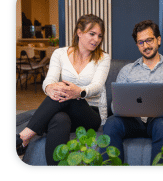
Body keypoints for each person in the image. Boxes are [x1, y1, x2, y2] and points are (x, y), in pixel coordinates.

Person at [16, 14, 111, 165]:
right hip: (64, 111)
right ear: (79, 32)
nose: (96, 39)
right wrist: (50, 87)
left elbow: (97, 86)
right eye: (92, 34)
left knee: (71, 95)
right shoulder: (59, 54)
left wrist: (79, 92)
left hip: (90, 114)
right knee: (59, 119)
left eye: (99, 36)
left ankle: (24, 136)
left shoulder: (103, 58)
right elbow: (49, 80)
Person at [101, 20, 163, 164]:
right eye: (141, 42)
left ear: (158, 40)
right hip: (132, 121)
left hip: (160, 120)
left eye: (149, 40)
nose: (146, 46)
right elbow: (115, 104)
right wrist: (122, 108)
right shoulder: (127, 70)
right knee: (111, 123)